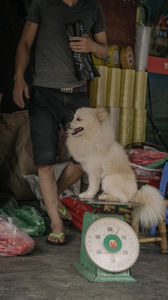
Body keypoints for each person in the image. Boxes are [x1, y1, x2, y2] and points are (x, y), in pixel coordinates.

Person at [13, 0, 108, 245]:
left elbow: (105, 51)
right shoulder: (42, 4)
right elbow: (25, 43)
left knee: (84, 159)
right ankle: (56, 223)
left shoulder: (92, 7)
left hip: (77, 94)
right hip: (44, 93)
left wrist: (91, 46)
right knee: (45, 162)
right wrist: (18, 78)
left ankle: (52, 196)